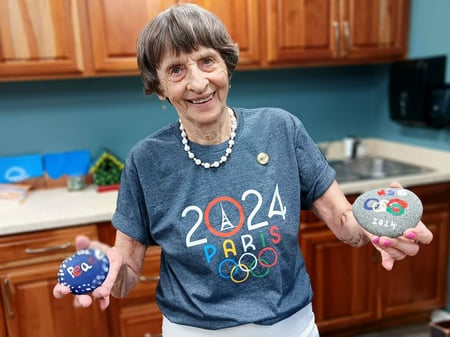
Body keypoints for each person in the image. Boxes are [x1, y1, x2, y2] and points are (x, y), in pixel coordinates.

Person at [53, 4, 433, 337]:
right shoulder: (146, 161)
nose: (198, 83)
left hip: (292, 327)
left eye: (206, 61)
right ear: (159, 87)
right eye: (176, 70)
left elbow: (344, 221)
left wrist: (377, 226)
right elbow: (126, 275)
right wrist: (107, 272)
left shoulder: (280, 129)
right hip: (192, 333)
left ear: (227, 65)